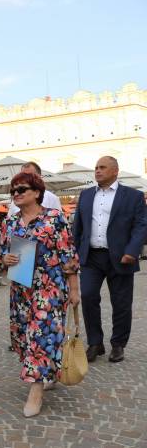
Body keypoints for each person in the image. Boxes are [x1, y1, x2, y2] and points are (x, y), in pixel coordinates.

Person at [1, 172, 80, 417]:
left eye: (21, 189)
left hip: (50, 287)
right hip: (21, 288)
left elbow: (69, 256)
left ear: (36, 192)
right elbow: (4, 253)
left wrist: (75, 289)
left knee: (40, 334)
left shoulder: (54, 218)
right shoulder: (10, 222)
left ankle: (35, 392)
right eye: (13, 190)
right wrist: (6, 258)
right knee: (23, 336)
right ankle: (47, 373)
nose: (16, 194)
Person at [72, 156, 147, 363]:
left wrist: (132, 251)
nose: (97, 171)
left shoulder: (133, 196)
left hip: (122, 257)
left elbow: (141, 225)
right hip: (92, 257)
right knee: (88, 297)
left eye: (102, 167)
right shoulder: (86, 195)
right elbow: (77, 227)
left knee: (121, 303)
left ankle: (118, 344)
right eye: (96, 167)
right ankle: (95, 343)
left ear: (115, 171)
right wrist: (75, 252)